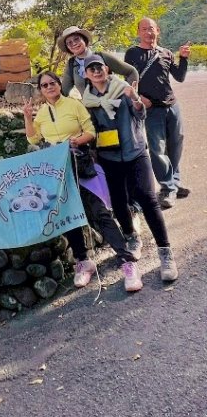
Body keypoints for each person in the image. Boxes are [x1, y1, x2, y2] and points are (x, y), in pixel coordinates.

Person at [23, 72, 141, 292]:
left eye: (52, 83)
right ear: (41, 90)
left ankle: (127, 261)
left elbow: (91, 131)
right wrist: (28, 117)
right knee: (68, 214)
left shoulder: (73, 105)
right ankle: (83, 261)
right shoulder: (41, 114)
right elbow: (33, 138)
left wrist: (76, 141)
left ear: (59, 85)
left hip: (81, 163)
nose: (49, 87)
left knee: (99, 212)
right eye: (44, 85)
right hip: (58, 170)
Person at [82, 53, 178, 284]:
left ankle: (165, 252)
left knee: (147, 198)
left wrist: (136, 102)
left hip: (135, 152)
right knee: (118, 201)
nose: (96, 71)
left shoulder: (124, 89)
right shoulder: (87, 101)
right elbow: (89, 127)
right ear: (86, 75)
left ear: (107, 69)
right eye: (91, 68)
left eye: (100, 67)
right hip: (109, 156)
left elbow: (140, 114)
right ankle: (131, 237)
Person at [124, 18, 190, 209]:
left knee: (176, 144)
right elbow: (127, 81)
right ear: (138, 32)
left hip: (172, 105)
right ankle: (167, 188)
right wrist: (139, 97)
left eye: (151, 29)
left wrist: (183, 58)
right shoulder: (132, 53)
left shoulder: (166, 53)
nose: (148, 33)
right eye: (144, 29)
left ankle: (174, 183)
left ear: (158, 31)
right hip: (151, 110)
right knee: (157, 150)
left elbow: (180, 77)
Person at [58, 25, 138, 96]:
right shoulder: (72, 64)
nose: (74, 44)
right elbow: (64, 91)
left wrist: (130, 96)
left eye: (77, 39)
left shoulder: (102, 56)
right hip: (91, 110)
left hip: (115, 109)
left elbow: (131, 71)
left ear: (84, 40)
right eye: (69, 43)